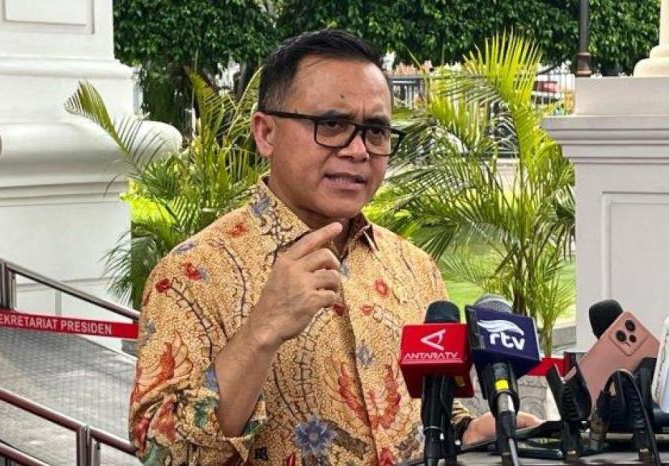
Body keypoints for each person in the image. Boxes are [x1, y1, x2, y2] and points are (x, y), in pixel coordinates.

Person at [129, 29, 540, 466]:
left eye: (376, 131)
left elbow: (428, 411)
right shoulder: (192, 275)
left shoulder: (414, 268)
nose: (358, 150)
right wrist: (260, 333)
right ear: (266, 133)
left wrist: (465, 432)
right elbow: (161, 456)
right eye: (332, 125)